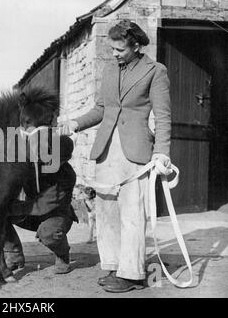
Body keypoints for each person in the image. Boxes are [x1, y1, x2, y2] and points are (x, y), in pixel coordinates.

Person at [60, 20, 172, 292]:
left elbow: (164, 115)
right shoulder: (110, 69)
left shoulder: (155, 71)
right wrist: (75, 123)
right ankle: (113, 266)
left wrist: (161, 153)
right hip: (106, 149)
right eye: (111, 49)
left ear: (135, 46)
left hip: (136, 152)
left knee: (132, 213)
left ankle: (132, 274)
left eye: (119, 49)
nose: (114, 54)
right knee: (107, 208)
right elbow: (101, 108)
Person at [4, 134, 78, 274]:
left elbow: (42, 205)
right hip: (31, 213)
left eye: (58, 160)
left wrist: (12, 208)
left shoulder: (67, 175)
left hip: (57, 216)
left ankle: (62, 254)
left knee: (48, 233)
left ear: (66, 159)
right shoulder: (32, 164)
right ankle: (13, 255)